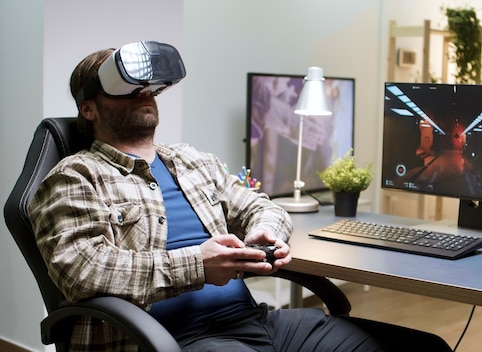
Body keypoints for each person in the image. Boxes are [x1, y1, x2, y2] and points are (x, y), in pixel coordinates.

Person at [28, 42, 452, 352]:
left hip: (256, 322)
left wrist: (267, 230)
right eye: (125, 87)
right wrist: (199, 264)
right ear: (89, 108)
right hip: (167, 341)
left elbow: (259, 204)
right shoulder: (75, 176)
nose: (144, 93)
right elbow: (82, 271)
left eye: (148, 87)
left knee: (422, 347)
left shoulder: (192, 161)